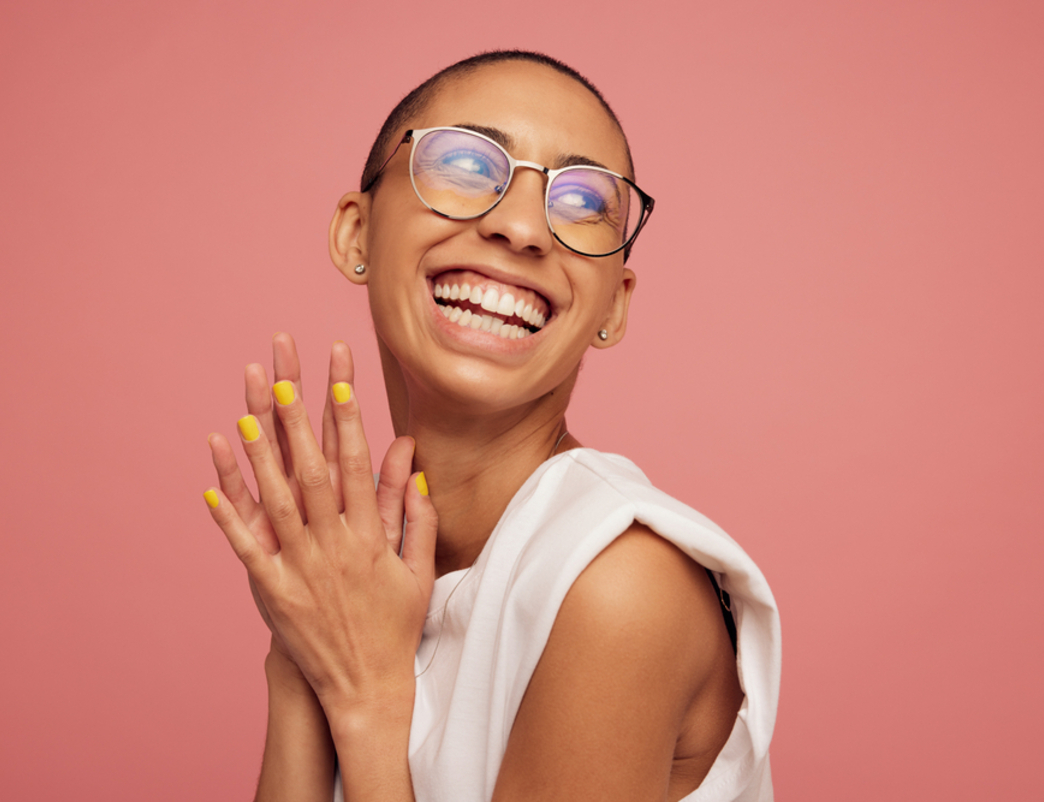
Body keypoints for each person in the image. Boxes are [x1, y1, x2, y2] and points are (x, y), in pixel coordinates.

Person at [202, 50, 780, 802]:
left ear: (613, 306)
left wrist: (364, 698)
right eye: (468, 165)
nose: (521, 227)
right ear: (356, 234)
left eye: (583, 201)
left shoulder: (619, 589)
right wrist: (298, 647)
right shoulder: (365, 573)